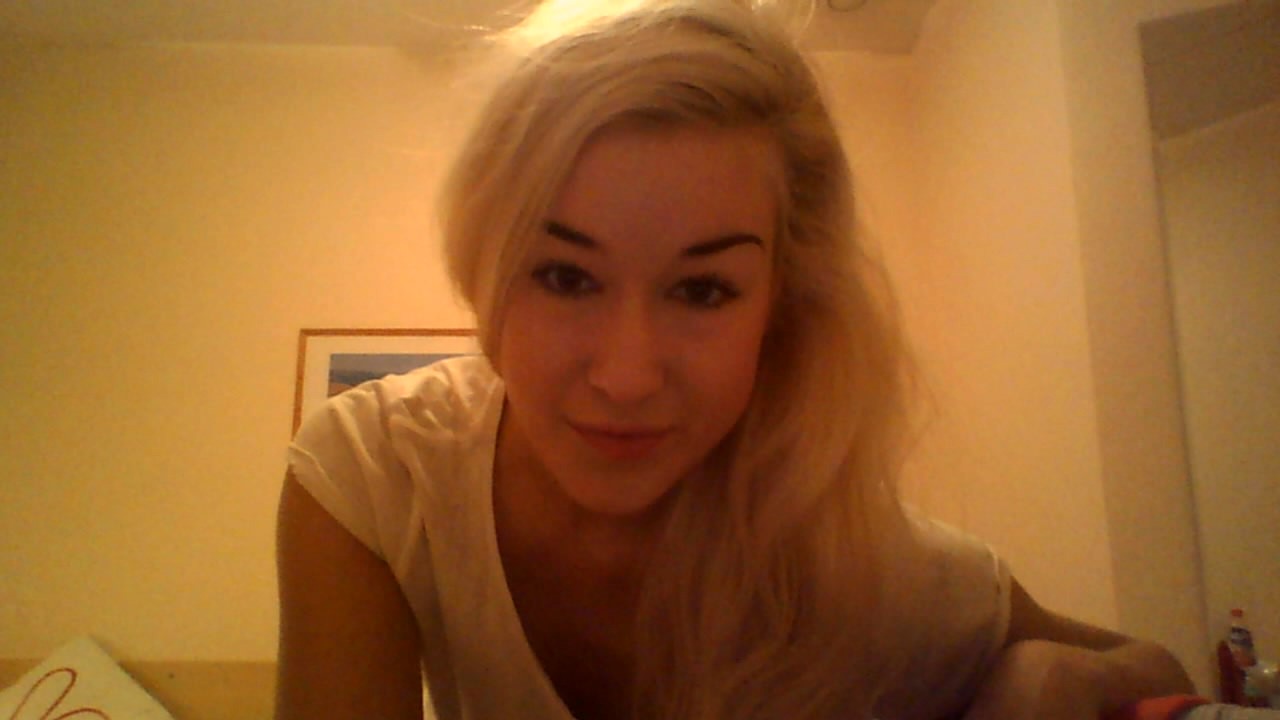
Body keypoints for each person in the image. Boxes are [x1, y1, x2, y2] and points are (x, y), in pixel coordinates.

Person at [274, 1, 1195, 718]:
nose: (627, 376)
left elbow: (1154, 667)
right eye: (564, 275)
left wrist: (1037, 682)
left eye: (703, 290)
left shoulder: (864, 565)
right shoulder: (378, 475)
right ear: (486, 274)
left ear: (781, 307)